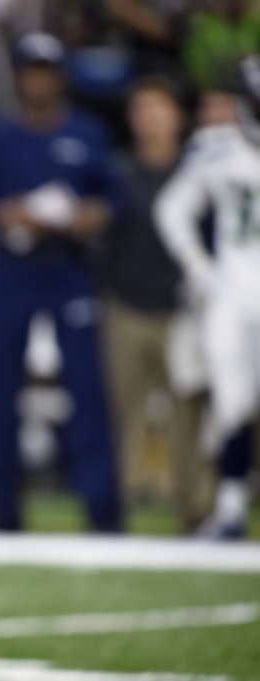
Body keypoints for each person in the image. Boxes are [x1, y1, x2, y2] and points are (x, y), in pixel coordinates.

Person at [0, 33, 123, 532]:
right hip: (15, 271)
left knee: (86, 390)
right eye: (29, 70)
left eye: (45, 70)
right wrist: (4, 214)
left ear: (58, 77)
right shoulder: (1, 136)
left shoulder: (87, 133)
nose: (37, 79)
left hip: (69, 269)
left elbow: (113, 198)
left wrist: (90, 216)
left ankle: (102, 510)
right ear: (20, 76)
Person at [154, 55, 260, 539]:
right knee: (232, 405)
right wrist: (200, 269)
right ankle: (231, 507)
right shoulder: (217, 149)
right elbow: (172, 209)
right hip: (234, 294)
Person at [103, 76, 212, 531]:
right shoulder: (118, 170)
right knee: (121, 414)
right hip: (125, 305)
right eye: (142, 109)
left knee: (189, 415)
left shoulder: (200, 169)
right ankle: (115, 511)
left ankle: (199, 510)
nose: (150, 119)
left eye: (159, 108)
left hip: (182, 309)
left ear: (178, 116)